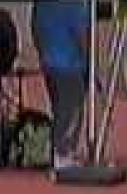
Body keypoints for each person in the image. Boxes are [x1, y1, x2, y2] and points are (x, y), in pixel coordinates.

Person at [31, 0, 89, 172]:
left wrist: (42, 53)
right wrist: (90, 60)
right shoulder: (75, 5)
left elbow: (35, 30)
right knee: (71, 109)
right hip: (70, 64)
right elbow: (81, 36)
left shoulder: (41, 5)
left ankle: (59, 150)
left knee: (59, 109)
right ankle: (63, 153)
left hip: (50, 62)